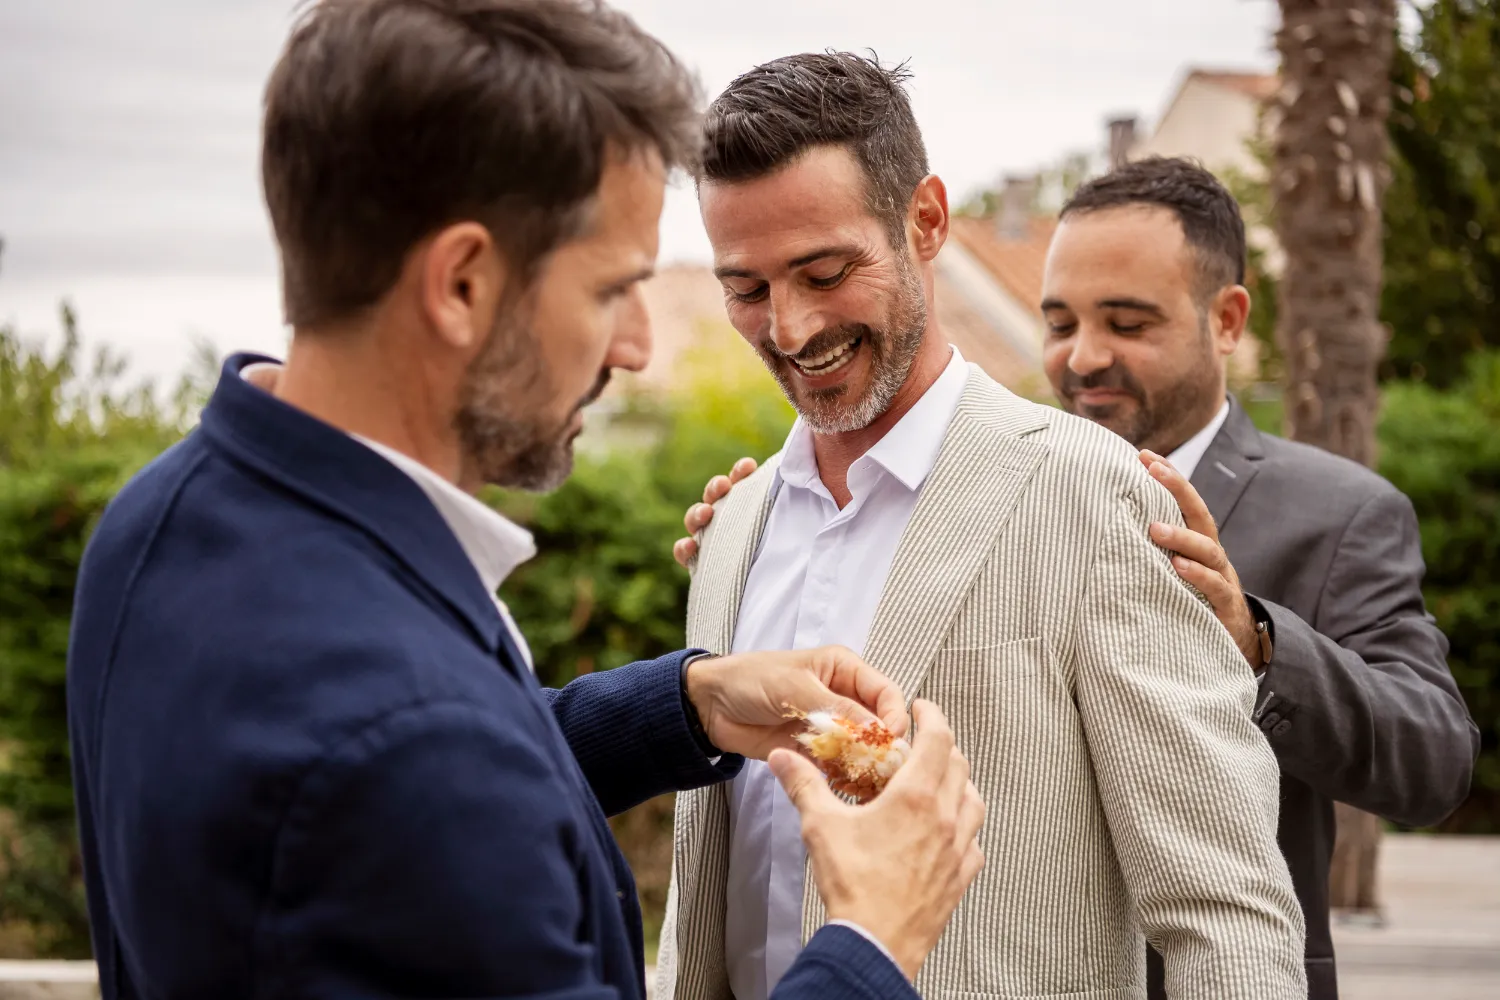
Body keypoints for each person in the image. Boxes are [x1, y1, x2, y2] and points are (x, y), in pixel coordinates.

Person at [63, 4, 987, 999]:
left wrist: (690, 704)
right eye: (611, 290)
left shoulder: (159, 518)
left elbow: (455, 770)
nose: (637, 345)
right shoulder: (407, 741)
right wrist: (872, 939)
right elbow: (428, 771)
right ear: (462, 283)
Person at [680, 155, 1481, 1000]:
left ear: (1227, 321)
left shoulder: (1339, 513)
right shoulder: (952, 482)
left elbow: (1434, 761)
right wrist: (773, 547)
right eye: (1060, 323)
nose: (1085, 357)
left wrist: (1257, 642)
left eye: (1128, 324)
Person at [656, 53, 1306, 1000]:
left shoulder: (1094, 494)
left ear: (926, 221)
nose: (789, 329)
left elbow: (1225, 908)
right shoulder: (733, 525)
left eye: (824, 272)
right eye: (746, 290)